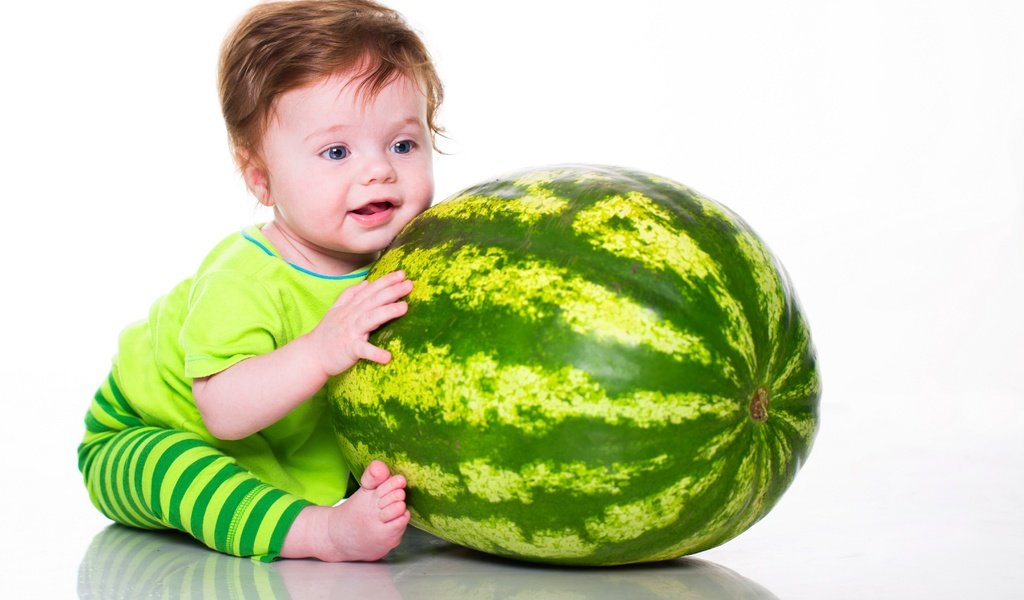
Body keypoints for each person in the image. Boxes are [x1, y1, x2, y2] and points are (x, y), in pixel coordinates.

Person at [77, 0, 444, 562]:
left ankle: (339, 505)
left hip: (285, 446)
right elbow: (223, 413)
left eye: (403, 144)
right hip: (148, 431)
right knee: (188, 475)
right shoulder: (245, 277)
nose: (379, 170)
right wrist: (321, 350)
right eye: (337, 151)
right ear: (262, 179)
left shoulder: (407, 256)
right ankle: (317, 534)